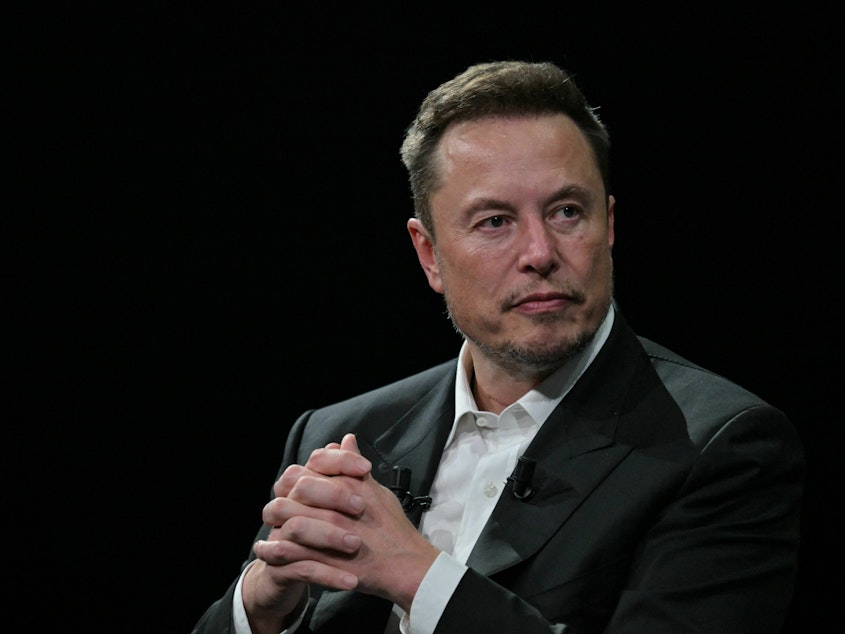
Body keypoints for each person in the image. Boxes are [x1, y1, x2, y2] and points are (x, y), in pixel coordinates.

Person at [191, 60, 805, 634]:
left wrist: (417, 574)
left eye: (567, 211)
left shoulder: (722, 445)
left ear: (609, 227)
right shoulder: (340, 432)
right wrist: (263, 602)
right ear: (429, 254)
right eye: (494, 222)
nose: (540, 253)